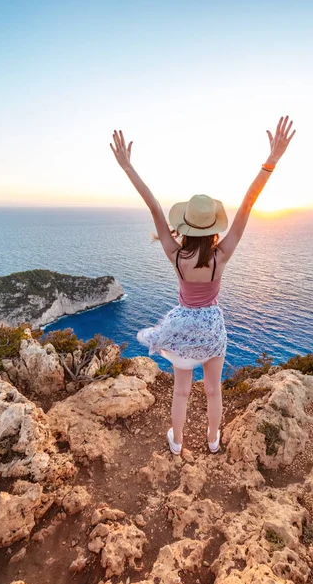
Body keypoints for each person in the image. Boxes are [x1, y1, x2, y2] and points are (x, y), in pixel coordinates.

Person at [109, 115, 296, 455]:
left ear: (184, 226)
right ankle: (212, 441)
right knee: (214, 390)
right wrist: (271, 161)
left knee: (181, 391)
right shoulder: (220, 257)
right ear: (212, 227)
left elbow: (152, 205)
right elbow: (249, 203)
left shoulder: (176, 256)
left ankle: (177, 443)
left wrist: (127, 167)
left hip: (182, 327)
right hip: (211, 327)